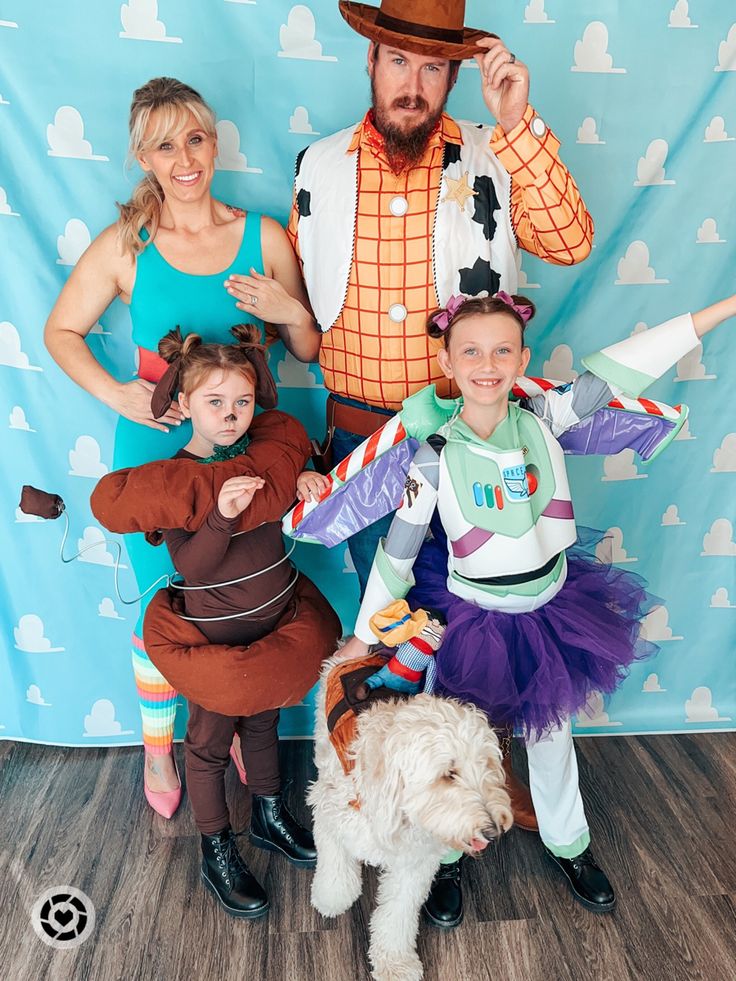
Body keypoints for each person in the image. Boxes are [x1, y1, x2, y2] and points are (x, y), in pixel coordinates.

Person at [336, 289, 735, 920]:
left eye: (501, 350)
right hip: (473, 621)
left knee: (551, 738)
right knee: (460, 747)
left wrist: (721, 307)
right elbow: (399, 550)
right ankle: (447, 857)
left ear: (523, 359)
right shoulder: (433, 455)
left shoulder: (549, 417)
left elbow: (620, 368)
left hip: (552, 612)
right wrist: (362, 637)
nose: (486, 364)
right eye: (470, 351)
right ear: (446, 361)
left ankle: (567, 842)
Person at [44, 77, 320, 817]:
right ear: (145, 156)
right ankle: (160, 751)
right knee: (164, 611)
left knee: (239, 600)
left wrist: (291, 308)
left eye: (194, 137)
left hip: (248, 451)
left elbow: (308, 345)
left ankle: (227, 719)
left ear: (214, 141)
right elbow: (60, 332)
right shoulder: (128, 245)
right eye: (165, 144)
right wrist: (114, 392)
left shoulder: (264, 235)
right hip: (156, 454)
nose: (185, 157)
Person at [90, 325, 341, 917]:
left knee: (263, 725)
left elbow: (287, 513)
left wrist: (305, 483)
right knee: (207, 743)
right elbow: (193, 567)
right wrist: (222, 516)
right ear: (184, 403)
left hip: (274, 620)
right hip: (218, 635)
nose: (231, 415)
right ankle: (215, 845)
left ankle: (267, 812)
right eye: (215, 402)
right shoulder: (179, 481)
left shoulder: (266, 455)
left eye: (242, 402)